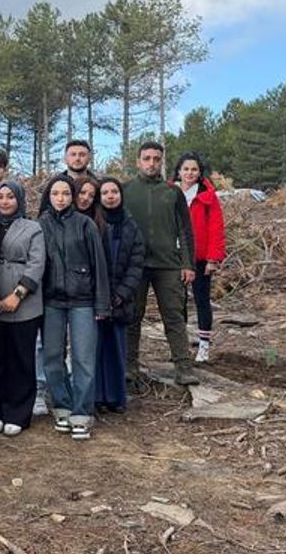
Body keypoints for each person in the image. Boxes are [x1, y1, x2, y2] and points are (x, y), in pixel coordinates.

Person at [38, 175, 110, 440]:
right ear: (49, 196)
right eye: (56, 193)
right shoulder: (40, 225)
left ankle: (82, 412)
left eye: (66, 194)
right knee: (52, 357)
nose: (61, 198)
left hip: (83, 300)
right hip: (51, 301)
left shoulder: (85, 224)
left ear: (72, 197)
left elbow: (99, 266)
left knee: (83, 358)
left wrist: (102, 303)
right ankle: (62, 405)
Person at [124, 142, 200, 385]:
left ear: (162, 162)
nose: (151, 163)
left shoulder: (172, 192)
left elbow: (184, 230)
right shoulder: (125, 190)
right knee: (132, 316)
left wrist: (188, 264)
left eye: (156, 159)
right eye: (146, 158)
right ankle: (129, 366)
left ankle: (183, 367)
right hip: (135, 265)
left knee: (174, 316)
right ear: (138, 161)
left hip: (168, 264)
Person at [0, 182, 45, 437]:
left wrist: (18, 294)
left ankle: (18, 412)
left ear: (19, 200)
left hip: (25, 303)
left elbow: (37, 263)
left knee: (21, 358)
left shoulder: (33, 228)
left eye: (10, 196)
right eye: (0, 197)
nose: (5, 201)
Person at [96, 178, 146, 412]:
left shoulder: (131, 225)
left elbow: (136, 264)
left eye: (114, 191)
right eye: (105, 192)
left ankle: (116, 397)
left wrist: (123, 292)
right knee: (96, 349)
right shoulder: (93, 222)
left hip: (121, 298)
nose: (110, 196)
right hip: (98, 297)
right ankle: (97, 396)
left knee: (117, 347)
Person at [172, 153, 226, 362]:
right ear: (179, 171)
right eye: (186, 169)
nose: (189, 173)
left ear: (199, 172)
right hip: (174, 256)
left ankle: (204, 347)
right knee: (178, 302)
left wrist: (213, 258)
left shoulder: (207, 196)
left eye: (194, 169)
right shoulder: (170, 192)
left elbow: (216, 227)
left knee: (202, 300)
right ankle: (181, 346)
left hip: (200, 256)